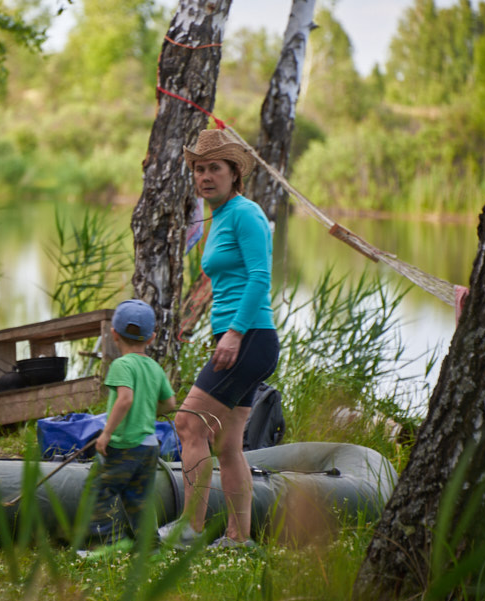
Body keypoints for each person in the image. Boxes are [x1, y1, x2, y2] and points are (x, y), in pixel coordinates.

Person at [159, 128, 279, 549]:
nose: (205, 176)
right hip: (239, 338)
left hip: (250, 338)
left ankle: (189, 529)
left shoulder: (246, 214)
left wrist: (234, 333)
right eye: (199, 169)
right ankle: (238, 539)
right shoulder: (222, 216)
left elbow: (260, 278)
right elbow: (226, 281)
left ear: (234, 174)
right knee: (228, 443)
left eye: (214, 168)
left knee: (189, 422)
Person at [80, 299, 176, 556]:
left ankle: (106, 545)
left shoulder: (121, 365)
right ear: (152, 337)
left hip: (124, 445)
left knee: (98, 492)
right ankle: (151, 548)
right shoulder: (155, 368)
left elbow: (125, 399)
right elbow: (170, 403)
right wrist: (147, 411)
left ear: (113, 334)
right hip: (149, 446)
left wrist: (107, 433)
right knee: (140, 500)